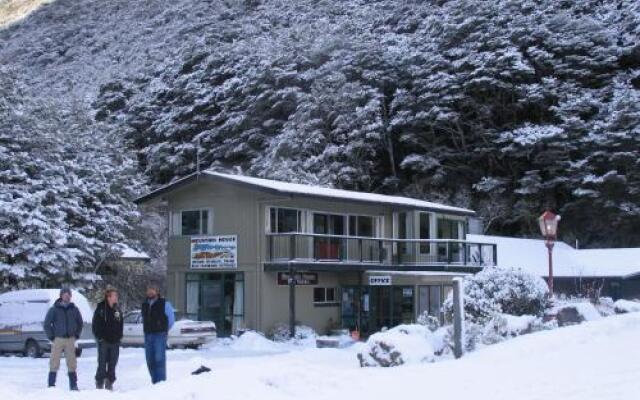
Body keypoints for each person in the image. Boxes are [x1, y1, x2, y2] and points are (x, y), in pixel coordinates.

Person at [44, 288, 83, 391]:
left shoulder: (74, 309)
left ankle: (73, 385)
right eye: (65, 294)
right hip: (58, 339)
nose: (67, 296)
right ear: (61, 296)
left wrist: (76, 335)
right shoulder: (54, 309)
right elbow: (47, 324)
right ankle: (51, 385)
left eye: (69, 295)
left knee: (72, 363)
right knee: (54, 362)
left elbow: (80, 323)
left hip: (70, 339)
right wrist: (52, 336)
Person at [141, 283, 175, 384]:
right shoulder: (144, 304)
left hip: (159, 335)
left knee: (159, 359)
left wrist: (164, 330)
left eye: (153, 289)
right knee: (150, 360)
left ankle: (160, 384)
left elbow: (171, 319)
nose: (150, 291)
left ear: (157, 292)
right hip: (148, 335)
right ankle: (154, 381)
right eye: (149, 290)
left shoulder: (164, 303)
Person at [92, 287, 124, 390]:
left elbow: (120, 323)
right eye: (114, 296)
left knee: (112, 363)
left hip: (115, 341)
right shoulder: (101, 309)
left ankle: (110, 381)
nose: (116, 298)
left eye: (116, 296)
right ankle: (99, 381)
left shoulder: (117, 310)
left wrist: (119, 336)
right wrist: (99, 337)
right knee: (102, 363)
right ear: (108, 297)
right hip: (104, 341)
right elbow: (95, 324)